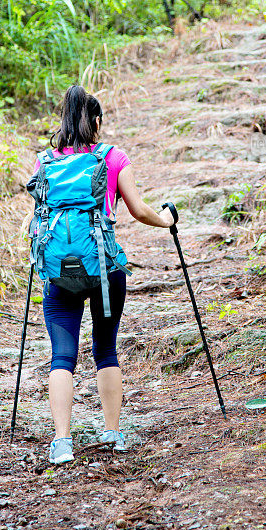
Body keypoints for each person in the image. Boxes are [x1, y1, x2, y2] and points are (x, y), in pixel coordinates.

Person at [31, 84, 174, 465]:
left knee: (62, 355)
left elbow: (37, 218)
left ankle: (62, 442)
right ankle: (112, 432)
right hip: (105, 269)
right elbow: (139, 210)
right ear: (95, 122)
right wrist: (167, 220)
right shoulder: (112, 157)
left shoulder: (44, 162)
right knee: (105, 347)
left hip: (59, 271)